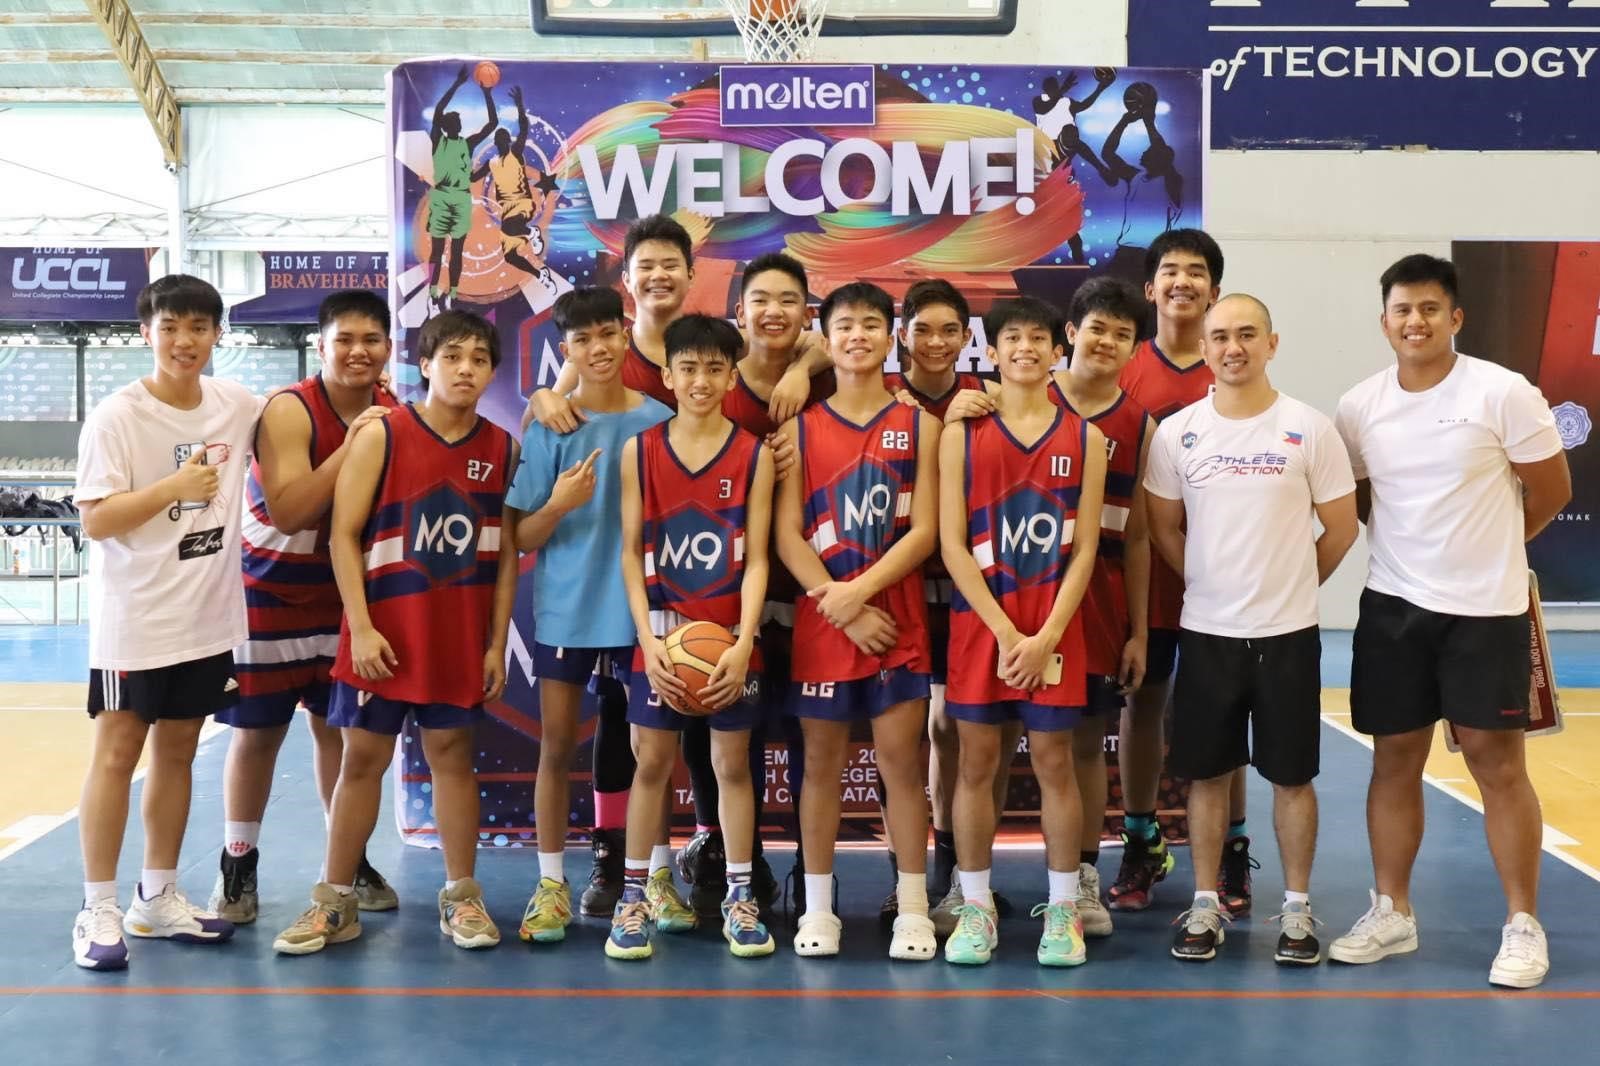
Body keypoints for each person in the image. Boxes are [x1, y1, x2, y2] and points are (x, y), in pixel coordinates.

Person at [1330, 254, 1570, 989]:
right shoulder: (1358, 407)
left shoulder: (1503, 392)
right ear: (1384, 322)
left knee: (1499, 768)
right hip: (1392, 611)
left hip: (1485, 615)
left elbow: (1551, 491)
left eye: (1430, 309)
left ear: (1455, 317)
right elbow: (1363, 500)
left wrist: (1488, 553)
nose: (1416, 322)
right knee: (1392, 762)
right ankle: (1392, 911)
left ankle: (1523, 924)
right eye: (1402, 310)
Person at [272, 309, 518, 955]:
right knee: (362, 763)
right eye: (453, 357)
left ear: (492, 371)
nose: (466, 369)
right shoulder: (382, 434)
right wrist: (361, 626)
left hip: (456, 638)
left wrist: (494, 644)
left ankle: (462, 897)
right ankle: (335, 901)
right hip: (383, 637)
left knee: (452, 762)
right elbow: (344, 535)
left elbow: (506, 555)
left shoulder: (501, 447)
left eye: (479, 359)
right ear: (426, 364)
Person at [1144, 294, 1357, 964]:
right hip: (1207, 633)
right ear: (1203, 349)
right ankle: (1204, 903)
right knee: (1208, 776)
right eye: (1219, 337)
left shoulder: (1309, 428)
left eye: (1246, 334)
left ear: (1272, 342)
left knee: (1293, 777)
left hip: (1288, 635)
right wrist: (1211, 582)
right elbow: (1162, 528)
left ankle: (1296, 910)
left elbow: (1342, 527)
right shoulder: (1178, 431)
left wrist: (1290, 583)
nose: (1232, 347)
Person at [71, 274, 256, 971]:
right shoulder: (117, 416)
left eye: (199, 328)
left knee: (178, 753)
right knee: (118, 757)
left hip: (205, 620)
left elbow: (301, 418)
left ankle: (158, 895)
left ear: (216, 336)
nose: (185, 341)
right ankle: (97, 906)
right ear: (146, 333)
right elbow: (96, 519)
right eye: (171, 327)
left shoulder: (235, 403)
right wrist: (172, 490)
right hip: (136, 622)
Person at [210, 291, 399, 924]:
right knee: (258, 734)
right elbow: (291, 510)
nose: (358, 351)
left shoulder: (393, 410)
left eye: (371, 340)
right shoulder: (289, 410)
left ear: (388, 349)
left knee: (339, 733)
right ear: (322, 346)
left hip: (345, 599)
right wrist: (355, 443)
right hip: (267, 594)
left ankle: (344, 862)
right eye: (345, 339)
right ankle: (239, 861)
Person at [773, 282, 940, 961]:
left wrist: (861, 594)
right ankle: (818, 908)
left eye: (872, 324)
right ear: (825, 335)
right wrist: (836, 603)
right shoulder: (797, 429)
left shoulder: (919, 425)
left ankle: (913, 909)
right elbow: (786, 534)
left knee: (903, 768)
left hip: (895, 623)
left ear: (890, 334)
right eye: (845, 325)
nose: (859, 335)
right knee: (820, 767)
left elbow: (926, 529)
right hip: (824, 623)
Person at [939, 296, 1107, 967]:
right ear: (992, 350)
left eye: (1039, 338)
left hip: (1054, 630)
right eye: (1013, 338)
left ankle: (1062, 908)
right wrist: (1008, 632)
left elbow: (1086, 548)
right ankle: (975, 906)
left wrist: (1044, 637)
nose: (1026, 349)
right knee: (976, 765)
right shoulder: (961, 432)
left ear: (1056, 352)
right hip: (984, 625)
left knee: (1055, 765)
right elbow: (952, 544)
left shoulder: (1087, 438)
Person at [506, 287, 676, 942]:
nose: (599, 349)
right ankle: (551, 884)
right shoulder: (552, 425)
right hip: (569, 610)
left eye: (609, 334)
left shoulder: (660, 419)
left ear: (624, 333)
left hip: (644, 611)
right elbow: (523, 537)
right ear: (566, 350)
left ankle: (655, 876)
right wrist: (559, 503)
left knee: (652, 753)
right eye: (583, 340)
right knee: (555, 745)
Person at [609, 313, 778, 960]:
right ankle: (633, 898)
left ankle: (740, 896)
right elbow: (630, 552)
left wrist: (741, 643)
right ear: (669, 376)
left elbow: (758, 558)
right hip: (661, 635)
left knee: (731, 766)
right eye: (689, 368)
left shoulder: (753, 453)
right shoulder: (640, 451)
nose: (701, 380)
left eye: (714, 369)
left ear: (731, 376)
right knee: (651, 764)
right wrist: (648, 644)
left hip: (730, 638)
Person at [1115, 228, 1249, 915]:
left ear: (1214, 291)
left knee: (1225, 715)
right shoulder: (1123, 371)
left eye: (1197, 272)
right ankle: (1141, 841)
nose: (1183, 282)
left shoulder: (1233, 368)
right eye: (1170, 271)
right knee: (1142, 705)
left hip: (1224, 580)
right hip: (1149, 578)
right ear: (1150, 289)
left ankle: (1231, 848)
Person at [877, 279, 1010, 934]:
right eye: (922, 329)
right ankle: (910, 875)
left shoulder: (986, 405)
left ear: (967, 339)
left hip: (966, 593)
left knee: (959, 735)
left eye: (949, 331)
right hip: (891, 592)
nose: (935, 343)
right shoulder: (873, 400)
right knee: (903, 740)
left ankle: (961, 875)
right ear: (901, 334)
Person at [1050, 277, 1157, 940]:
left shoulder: (1140, 425)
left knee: (1087, 745)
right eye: (1098, 328)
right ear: (1071, 331)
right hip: (1022, 591)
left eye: (1122, 334)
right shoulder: (1020, 401)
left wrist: (1139, 629)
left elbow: (1140, 535)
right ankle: (969, 880)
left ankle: (1084, 875)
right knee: (1004, 744)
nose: (1108, 341)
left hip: (1099, 601)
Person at [427, 64, 498, 310]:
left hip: (460, 198)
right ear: (448, 125)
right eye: (455, 119)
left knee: (456, 249)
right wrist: (456, 84)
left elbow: (492, 124)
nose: (458, 121)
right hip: (442, 197)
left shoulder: (467, 145)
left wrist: (487, 93)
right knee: (437, 249)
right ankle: (433, 291)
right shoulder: (438, 141)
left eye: (458, 119)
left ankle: (453, 292)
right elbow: (438, 110)